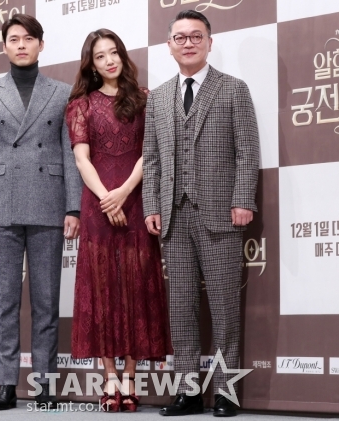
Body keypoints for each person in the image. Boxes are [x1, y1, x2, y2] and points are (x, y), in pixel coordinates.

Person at [142, 10, 260, 418]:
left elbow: (247, 152)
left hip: (220, 213)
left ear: (210, 42)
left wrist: (242, 199)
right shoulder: (158, 97)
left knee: (225, 307)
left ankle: (227, 392)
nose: (188, 43)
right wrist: (152, 205)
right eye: (180, 37)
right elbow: (151, 159)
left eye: (196, 36)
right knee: (181, 307)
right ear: (169, 45)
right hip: (174, 216)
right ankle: (188, 392)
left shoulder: (233, 89)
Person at [0, 14, 82, 411]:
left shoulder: (62, 92)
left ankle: (43, 384)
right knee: (4, 303)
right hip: (1, 203)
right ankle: (6, 385)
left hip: (49, 201)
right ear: (3, 46)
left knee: (47, 302)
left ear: (40, 45)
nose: (21, 45)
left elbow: (70, 154)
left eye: (28, 38)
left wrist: (73, 206)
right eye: (14, 39)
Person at [66, 28, 173, 412]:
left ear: (123, 56)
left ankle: (130, 375)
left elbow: (150, 152)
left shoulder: (144, 99)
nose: (109, 60)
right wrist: (105, 197)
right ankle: (109, 376)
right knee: (102, 288)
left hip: (137, 199)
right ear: (91, 65)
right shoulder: (81, 104)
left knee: (136, 286)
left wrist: (124, 192)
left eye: (113, 52)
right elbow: (81, 159)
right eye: (100, 56)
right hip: (97, 205)